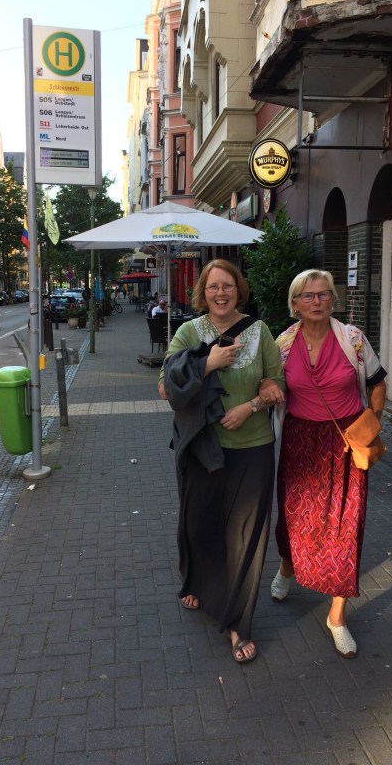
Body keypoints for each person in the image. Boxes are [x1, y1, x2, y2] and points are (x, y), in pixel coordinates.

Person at [159, 259, 285, 663]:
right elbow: (166, 388)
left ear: (238, 289)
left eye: (227, 285)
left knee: (246, 534)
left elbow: (277, 383)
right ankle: (194, 579)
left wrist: (255, 401)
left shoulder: (260, 331)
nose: (220, 293)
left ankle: (237, 623)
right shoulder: (187, 332)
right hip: (202, 446)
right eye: (213, 286)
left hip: (253, 446)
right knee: (199, 523)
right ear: (203, 292)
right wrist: (207, 364)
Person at [260, 269, 386, 658]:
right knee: (294, 516)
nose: (316, 302)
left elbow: (378, 381)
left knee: (346, 523)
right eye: (307, 296)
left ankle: (337, 615)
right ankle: (287, 567)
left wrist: (374, 420)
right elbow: (268, 383)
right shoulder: (282, 344)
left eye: (323, 295)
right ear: (295, 304)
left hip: (347, 441)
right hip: (301, 439)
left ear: (334, 299)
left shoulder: (353, 339)